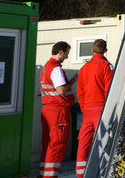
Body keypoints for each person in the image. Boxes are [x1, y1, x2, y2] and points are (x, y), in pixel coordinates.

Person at [75, 39, 114, 178]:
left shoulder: (84, 68)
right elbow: (109, 90)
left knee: (84, 141)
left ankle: (81, 173)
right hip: (101, 108)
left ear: (92, 51)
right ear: (105, 51)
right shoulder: (107, 66)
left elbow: (80, 91)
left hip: (87, 110)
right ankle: (103, 171)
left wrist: (84, 107)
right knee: (104, 140)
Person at [39, 41, 77, 178]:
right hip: (58, 111)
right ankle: (50, 176)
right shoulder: (55, 68)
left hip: (47, 110)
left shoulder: (45, 68)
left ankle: (43, 174)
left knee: (48, 144)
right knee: (58, 144)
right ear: (60, 52)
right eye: (66, 53)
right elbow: (61, 89)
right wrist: (73, 80)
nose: (67, 57)